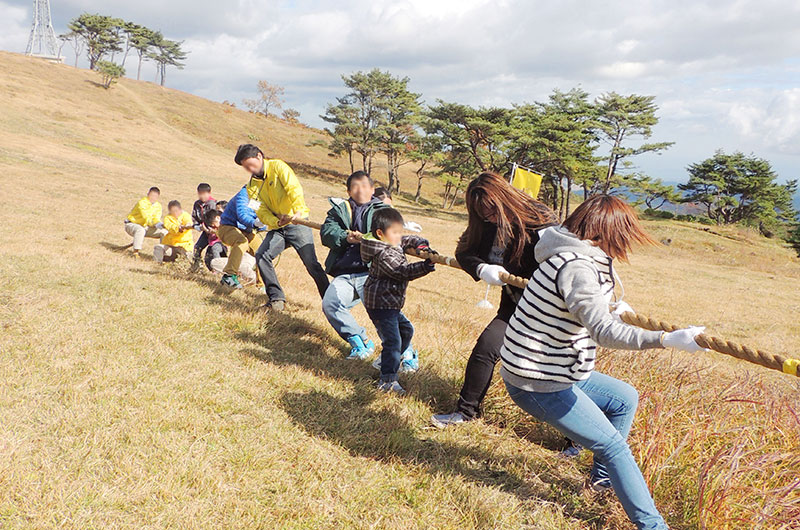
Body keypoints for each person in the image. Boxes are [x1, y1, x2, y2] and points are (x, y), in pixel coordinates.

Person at [501, 195, 705, 530]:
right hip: (537, 379)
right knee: (613, 447)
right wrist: (666, 339)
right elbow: (603, 332)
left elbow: (576, 309)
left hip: (554, 365)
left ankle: (600, 483)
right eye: (625, 235)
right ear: (608, 233)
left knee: (624, 397)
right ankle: (653, 526)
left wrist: (609, 306)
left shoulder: (565, 252)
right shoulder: (577, 266)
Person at [432, 172, 558, 428]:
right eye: (481, 214)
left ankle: (575, 439)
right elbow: (464, 251)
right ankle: (466, 413)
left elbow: (565, 261)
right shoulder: (485, 223)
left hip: (550, 311)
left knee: (556, 372)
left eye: (491, 211)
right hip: (513, 307)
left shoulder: (540, 219)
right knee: (486, 348)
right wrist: (481, 269)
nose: (488, 218)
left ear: (503, 199)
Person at [233, 144, 329, 311]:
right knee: (262, 255)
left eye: (250, 164)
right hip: (278, 227)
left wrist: (298, 211)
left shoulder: (278, 167)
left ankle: (330, 302)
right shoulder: (252, 185)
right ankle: (276, 299)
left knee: (311, 264)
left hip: (298, 223)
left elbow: (293, 189)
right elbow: (260, 210)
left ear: (259, 156)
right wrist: (276, 222)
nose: (249, 169)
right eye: (246, 167)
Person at [360, 208, 436, 395]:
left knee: (406, 330)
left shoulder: (389, 241)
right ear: (380, 233)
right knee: (392, 341)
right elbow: (402, 272)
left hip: (390, 303)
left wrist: (421, 246)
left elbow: (406, 240)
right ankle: (387, 380)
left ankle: (384, 361)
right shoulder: (383, 253)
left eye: (400, 231)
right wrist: (425, 266)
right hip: (380, 304)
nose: (399, 236)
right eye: (395, 232)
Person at [320, 171, 388, 359]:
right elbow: (327, 233)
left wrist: (368, 239)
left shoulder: (382, 211)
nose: (360, 190)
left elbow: (391, 236)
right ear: (349, 190)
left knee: (383, 316)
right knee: (330, 304)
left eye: (365, 185)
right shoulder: (339, 210)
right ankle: (360, 341)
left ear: (372, 190)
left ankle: (405, 353)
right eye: (355, 186)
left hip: (372, 273)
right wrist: (345, 237)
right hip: (345, 272)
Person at [217, 178, 266, 290]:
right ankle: (229, 275)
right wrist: (255, 223)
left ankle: (262, 285)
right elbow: (242, 214)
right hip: (227, 227)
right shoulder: (244, 194)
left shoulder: (264, 197)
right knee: (242, 242)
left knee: (263, 250)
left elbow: (266, 216)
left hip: (247, 231)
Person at [124, 187, 168, 257]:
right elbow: (146, 217)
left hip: (147, 227)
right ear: (148, 194)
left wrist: (160, 224)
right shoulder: (142, 203)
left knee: (165, 232)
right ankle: (136, 252)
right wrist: (155, 224)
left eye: (155, 196)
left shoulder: (158, 206)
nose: (153, 198)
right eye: (151, 195)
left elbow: (156, 218)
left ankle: (164, 255)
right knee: (140, 230)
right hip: (132, 224)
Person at [190, 183, 217, 272]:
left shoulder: (212, 204)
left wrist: (206, 226)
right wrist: (196, 225)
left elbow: (213, 218)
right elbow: (194, 216)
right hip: (205, 232)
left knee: (213, 252)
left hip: (215, 232)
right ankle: (197, 267)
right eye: (200, 193)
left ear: (209, 193)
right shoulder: (197, 204)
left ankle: (217, 271)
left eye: (204, 194)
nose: (202, 196)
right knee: (197, 247)